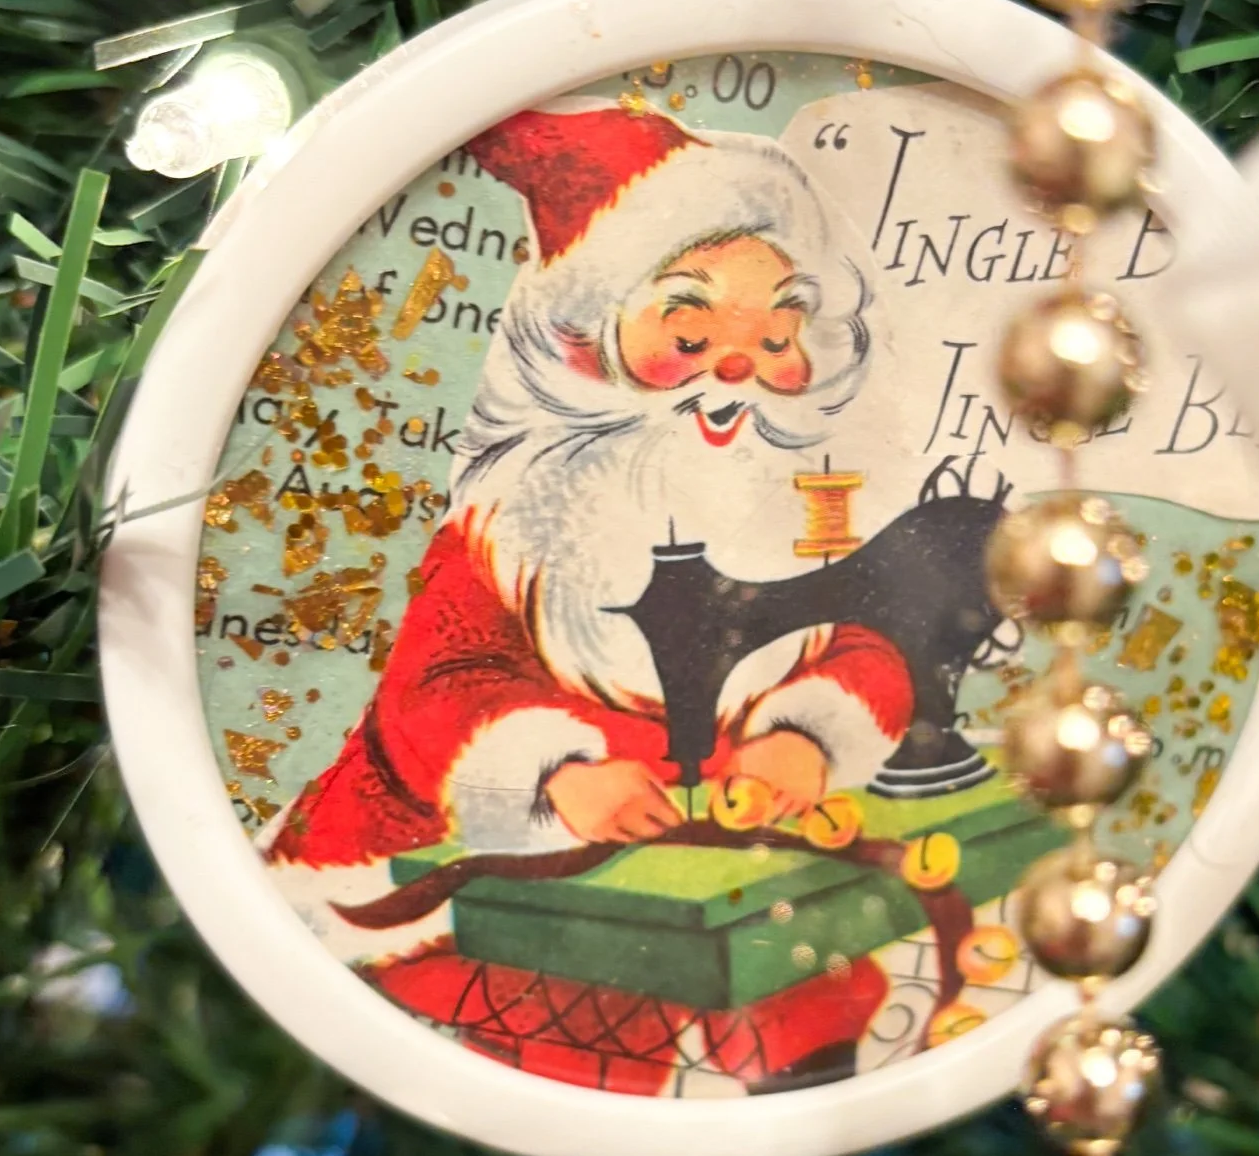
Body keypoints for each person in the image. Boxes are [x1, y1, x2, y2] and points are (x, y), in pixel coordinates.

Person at [265, 105, 913, 1093]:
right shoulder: (511, 531)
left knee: (808, 966)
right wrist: (556, 775)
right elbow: (432, 693)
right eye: (689, 331)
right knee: (579, 1008)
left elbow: (862, 645)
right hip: (474, 869)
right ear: (581, 343)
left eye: (777, 333)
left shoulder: (795, 513)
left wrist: (807, 735)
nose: (735, 369)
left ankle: (808, 1093)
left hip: (709, 849)